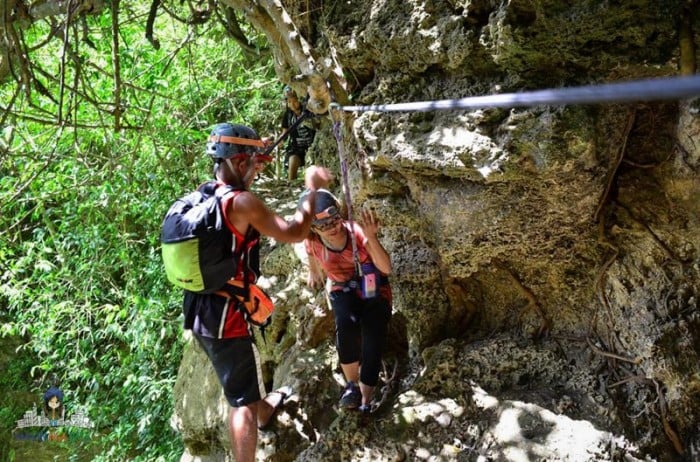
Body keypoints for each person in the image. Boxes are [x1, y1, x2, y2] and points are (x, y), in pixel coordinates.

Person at [184, 122, 331, 461]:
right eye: (254, 164)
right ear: (237, 162)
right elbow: (294, 231)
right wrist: (310, 189)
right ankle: (252, 431)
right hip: (226, 315)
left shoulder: (204, 194)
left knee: (240, 378)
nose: (257, 172)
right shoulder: (243, 202)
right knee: (240, 402)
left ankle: (264, 410)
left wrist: (256, 149)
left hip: (198, 307)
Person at [300, 189, 392, 414]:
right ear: (313, 228)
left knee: (373, 335)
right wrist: (313, 272)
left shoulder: (356, 234)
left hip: (373, 288)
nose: (331, 228)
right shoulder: (312, 240)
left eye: (334, 220)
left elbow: (386, 268)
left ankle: (366, 395)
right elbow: (311, 254)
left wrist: (371, 237)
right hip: (342, 289)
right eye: (323, 226)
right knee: (345, 324)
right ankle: (352, 386)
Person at [281, 86, 317, 181]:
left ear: (300, 100)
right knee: (293, 158)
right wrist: (279, 142)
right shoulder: (288, 115)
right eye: (289, 102)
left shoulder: (309, 111)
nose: (292, 104)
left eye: (295, 101)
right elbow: (284, 133)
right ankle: (291, 182)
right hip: (297, 146)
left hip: (314, 144)